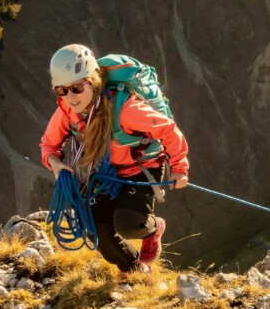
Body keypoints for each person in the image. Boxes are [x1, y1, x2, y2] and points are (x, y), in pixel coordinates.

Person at [40, 44, 189, 273]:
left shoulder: (127, 110)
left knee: (129, 223)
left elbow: (168, 130)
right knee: (95, 229)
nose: (70, 97)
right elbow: (49, 145)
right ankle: (134, 270)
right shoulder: (67, 112)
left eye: (77, 87)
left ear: (92, 81)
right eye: (62, 90)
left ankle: (152, 228)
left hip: (142, 168)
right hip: (106, 172)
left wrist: (178, 167)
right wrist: (56, 164)